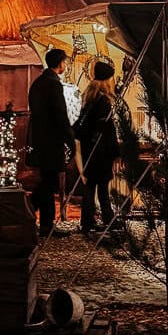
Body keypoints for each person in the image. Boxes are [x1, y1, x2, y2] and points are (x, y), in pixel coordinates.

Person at [27, 47, 74, 237]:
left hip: (40, 139)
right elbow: (60, 115)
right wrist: (70, 139)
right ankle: (31, 209)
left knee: (47, 180)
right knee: (50, 182)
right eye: (65, 62)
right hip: (51, 141)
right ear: (60, 63)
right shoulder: (53, 84)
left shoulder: (38, 83)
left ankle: (40, 218)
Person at [73, 61, 120, 238]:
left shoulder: (89, 97)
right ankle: (108, 219)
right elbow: (109, 129)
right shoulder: (103, 101)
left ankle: (87, 222)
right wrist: (115, 151)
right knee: (102, 188)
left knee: (90, 187)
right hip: (101, 151)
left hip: (89, 149)